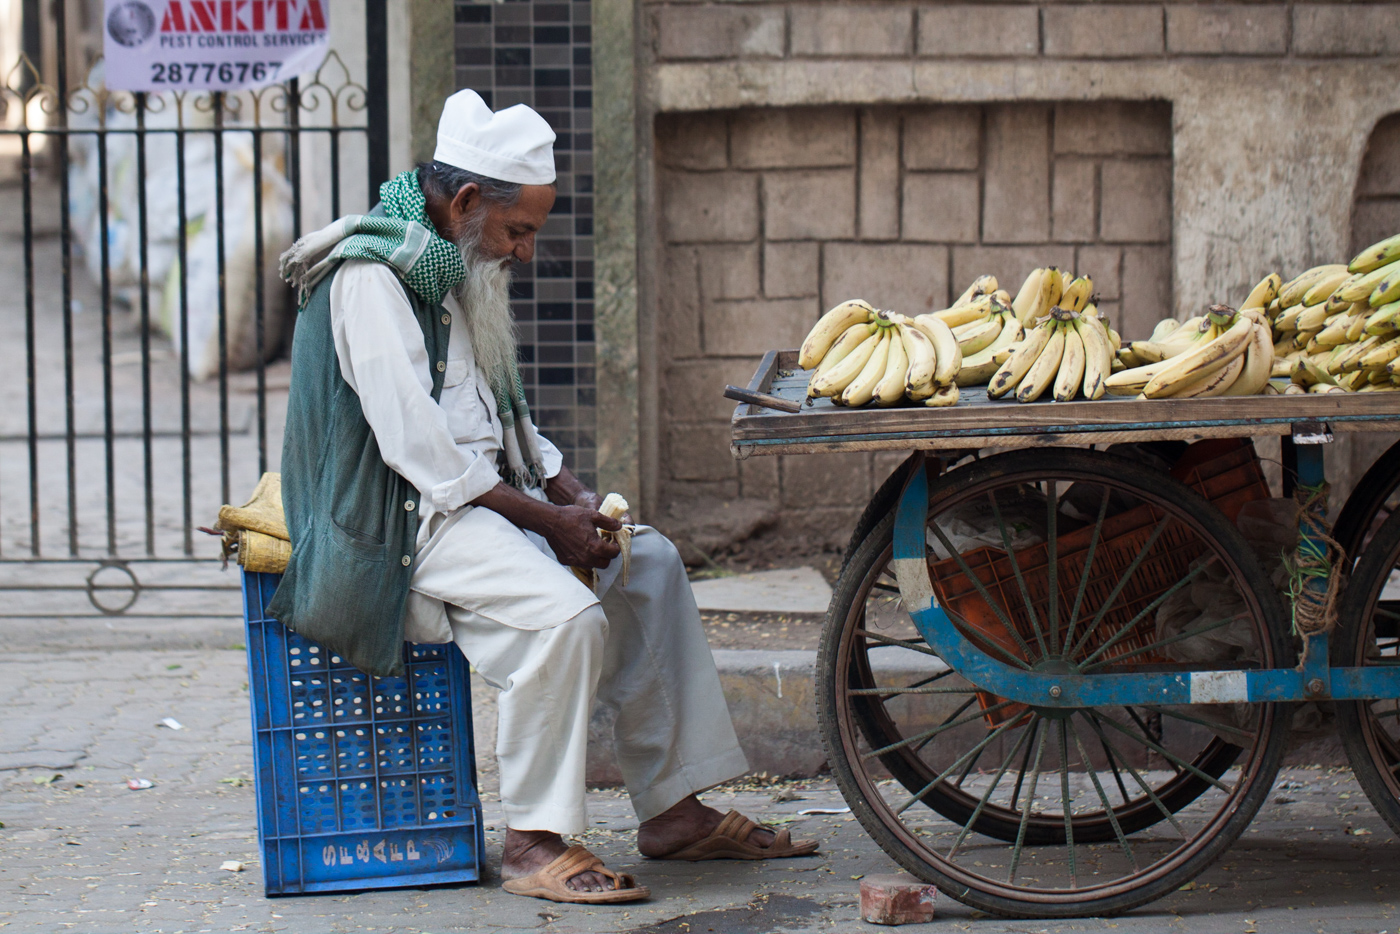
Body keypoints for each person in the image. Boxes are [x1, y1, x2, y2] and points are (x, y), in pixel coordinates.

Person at [271, 89, 816, 904]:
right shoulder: (373, 280)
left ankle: (674, 811)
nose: (525, 252)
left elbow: (490, 415)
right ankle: (530, 841)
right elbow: (425, 456)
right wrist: (548, 526)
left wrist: (569, 491)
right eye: (517, 231)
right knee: (566, 618)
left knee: (652, 565)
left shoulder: (451, 262)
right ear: (464, 203)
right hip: (398, 526)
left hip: (468, 506)